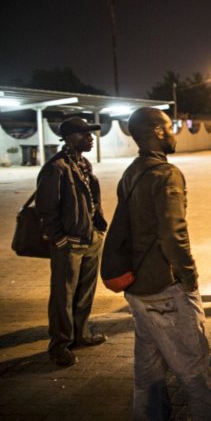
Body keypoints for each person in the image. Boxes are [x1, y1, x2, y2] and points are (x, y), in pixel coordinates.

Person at [120, 107, 211, 420]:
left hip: (138, 288)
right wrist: (189, 279)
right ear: (156, 131)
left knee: (148, 373)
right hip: (166, 290)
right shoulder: (166, 174)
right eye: (170, 126)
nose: (174, 133)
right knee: (196, 373)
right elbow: (173, 234)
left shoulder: (132, 172)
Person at [37, 116, 108, 367]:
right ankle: (59, 345)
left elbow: (91, 199)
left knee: (84, 293)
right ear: (68, 138)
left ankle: (81, 335)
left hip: (90, 239)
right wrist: (59, 238)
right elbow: (45, 209)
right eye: (84, 134)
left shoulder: (83, 164)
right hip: (69, 244)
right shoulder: (55, 168)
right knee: (62, 297)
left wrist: (98, 227)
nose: (90, 138)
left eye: (90, 133)